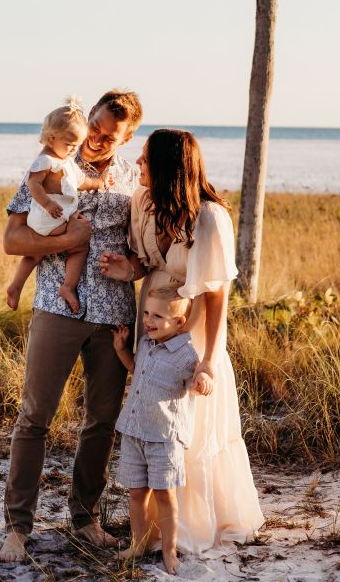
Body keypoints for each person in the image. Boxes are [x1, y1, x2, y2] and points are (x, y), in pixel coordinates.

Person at [101, 129, 265, 554]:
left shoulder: (209, 217)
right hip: (152, 317)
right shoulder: (143, 203)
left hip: (191, 329)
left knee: (184, 422)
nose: (137, 166)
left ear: (169, 168)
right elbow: (146, 262)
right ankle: (152, 523)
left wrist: (208, 360)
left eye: (144, 160)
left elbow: (216, 297)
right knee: (154, 416)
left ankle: (191, 524)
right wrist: (128, 269)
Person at [0, 89, 143, 565]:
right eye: (96, 127)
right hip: (56, 307)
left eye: (109, 135)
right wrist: (69, 237)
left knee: (101, 421)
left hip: (113, 315)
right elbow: (13, 238)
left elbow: (148, 248)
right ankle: (18, 528)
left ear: (128, 137)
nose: (97, 140)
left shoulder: (134, 180)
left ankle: (85, 519)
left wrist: (135, 266)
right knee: (35, 417)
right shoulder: (53, 160)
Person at [113, 286, 210, 575]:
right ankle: (138, 543)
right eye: (146, 313)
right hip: (134, 432)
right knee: (136, 494)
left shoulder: (185, 355)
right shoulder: (144, 343)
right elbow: (136, 369)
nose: (148, 320)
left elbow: (196, 380)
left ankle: (169, 551)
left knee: (165, 496)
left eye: (157, 316)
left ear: (179, 322)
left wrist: (202, 381)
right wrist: (121, 349)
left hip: (164, 439)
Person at [6, 97, 112, 314]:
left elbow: (83, 182)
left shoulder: (65, 162)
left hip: (49, 220)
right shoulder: (46, 160)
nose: (73, 149)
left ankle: (15, 287)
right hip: (49, 216)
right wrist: (48, 203)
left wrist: (100, 182)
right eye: (69, 144)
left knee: (34, 255)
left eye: (76, 145)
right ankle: (68, 286)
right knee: (80, 244)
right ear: (51, 138)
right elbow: (33, 184)